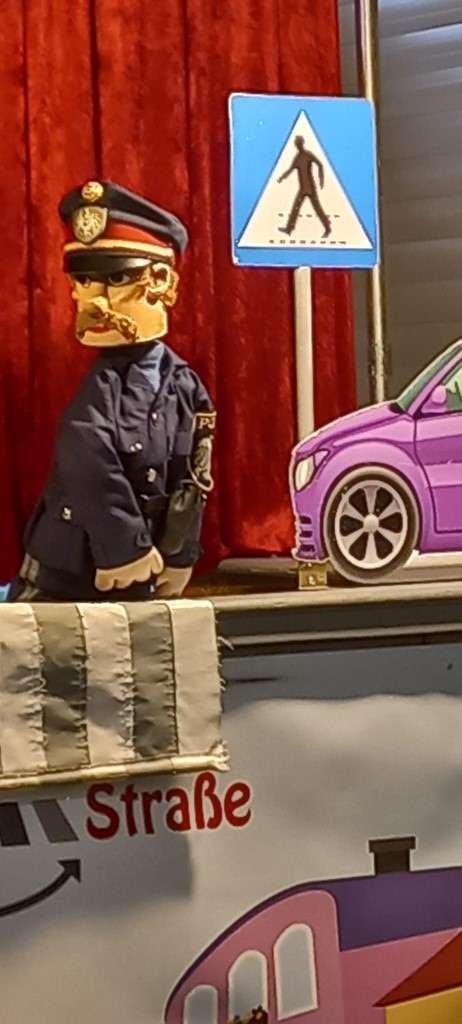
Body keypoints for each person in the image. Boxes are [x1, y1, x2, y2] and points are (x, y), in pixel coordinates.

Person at [10, 180, 215, 602]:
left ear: (162, 281)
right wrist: (126, 548)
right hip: (71, 570)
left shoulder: (185, 385)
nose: (96, 303)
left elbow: (194, 475)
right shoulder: (103, 390)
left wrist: (180, 552)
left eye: (117, 278)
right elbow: (89, 466)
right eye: (85, 282)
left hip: (142, 569)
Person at [278, 135, 331, 238]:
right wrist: (282, 177)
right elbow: (290, 169)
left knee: (317, 208)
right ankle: (289, 229)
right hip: (303, 189)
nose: (297, 146)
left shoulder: (308, 155)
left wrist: (321, 179)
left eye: (298, 144)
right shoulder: (297, 158)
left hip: (310, 188)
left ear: (301, 144)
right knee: (296, 208)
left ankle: (327, 228)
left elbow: (320, 164)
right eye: (296, 144)